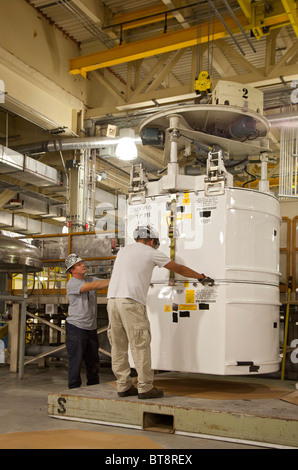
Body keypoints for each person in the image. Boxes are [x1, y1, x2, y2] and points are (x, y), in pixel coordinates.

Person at [107, 225, 214, 399]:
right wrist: (201, 276)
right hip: (131, 302)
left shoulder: (123, 251)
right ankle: (145, 387)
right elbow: (178, 268)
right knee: (140, 345)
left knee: (118, 346)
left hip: (112, 301)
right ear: (152, 241)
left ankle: (123, 386)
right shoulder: (150, 252)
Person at [65, 253, 110, 389]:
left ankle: (93, 388)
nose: (83, 265)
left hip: (91, 328)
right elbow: (96, 285)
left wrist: (119, 277)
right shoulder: (72, 283)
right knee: (76, 361)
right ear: (72, 270)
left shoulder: (89, 279)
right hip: (76, 328)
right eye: (79, 264)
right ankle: (74, 389)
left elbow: (102, 282)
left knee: (93, 361)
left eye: (82, 263)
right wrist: (113, 281)